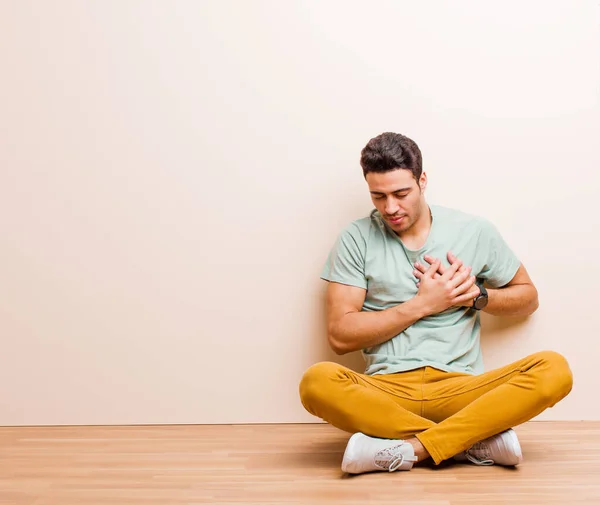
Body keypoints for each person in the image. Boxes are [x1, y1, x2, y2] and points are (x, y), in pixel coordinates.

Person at [299, 132, 573, 475]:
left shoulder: (473, 230)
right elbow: (340, 336)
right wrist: (423, 304)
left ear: (422, 181)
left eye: (401, 193)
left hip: (460, 387)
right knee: (316, 382)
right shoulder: (356, 238)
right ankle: (468, 441)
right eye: (378, 196)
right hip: (386, 389)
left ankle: (412, 448)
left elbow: (528, 297)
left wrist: (478, 296)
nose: (391, 208)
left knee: (554, 369)